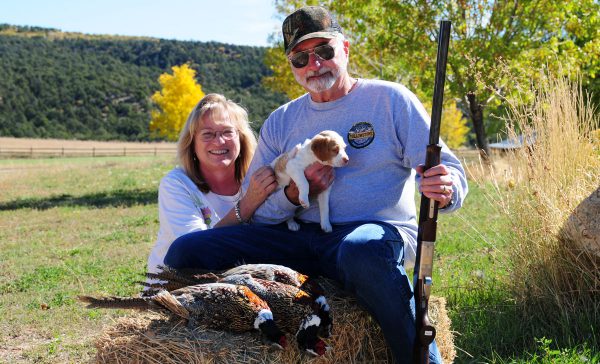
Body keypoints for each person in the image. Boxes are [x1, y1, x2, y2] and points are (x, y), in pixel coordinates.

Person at [164, 6, 468, 363]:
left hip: (369, 234)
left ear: (346, 49)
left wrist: (445, 188)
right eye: (300, 58)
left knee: (363, 252)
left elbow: (447, 169)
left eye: (324, 50)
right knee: (186, 252)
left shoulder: (390, 100)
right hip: (297, 239)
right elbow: (257, 207)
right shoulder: (281, 122)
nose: (314, 64)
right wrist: (293, 195)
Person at [146, 93, 277, 275]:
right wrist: (247, 205)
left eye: (227, 132)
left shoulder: (259, 178)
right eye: (208, 134)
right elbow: (194, 249)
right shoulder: (176, 184)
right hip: (178, 286)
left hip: (240, 282)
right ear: (192, 142)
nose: (219, 141)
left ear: (241, 138)